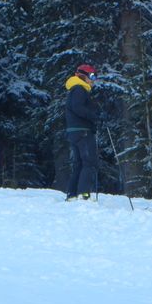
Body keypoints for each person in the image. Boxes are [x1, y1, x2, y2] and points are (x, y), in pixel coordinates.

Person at [65, 64, 99, 201]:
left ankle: (72, 194)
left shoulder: (75, 89)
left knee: (79, 163)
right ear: (83, 76)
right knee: (89, 161)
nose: (94, 80)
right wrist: (94, 116)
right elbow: (78, 108)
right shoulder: (79, 89)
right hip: (82, 131)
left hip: (75, 131)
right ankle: (83, 193)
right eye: (92, 76)